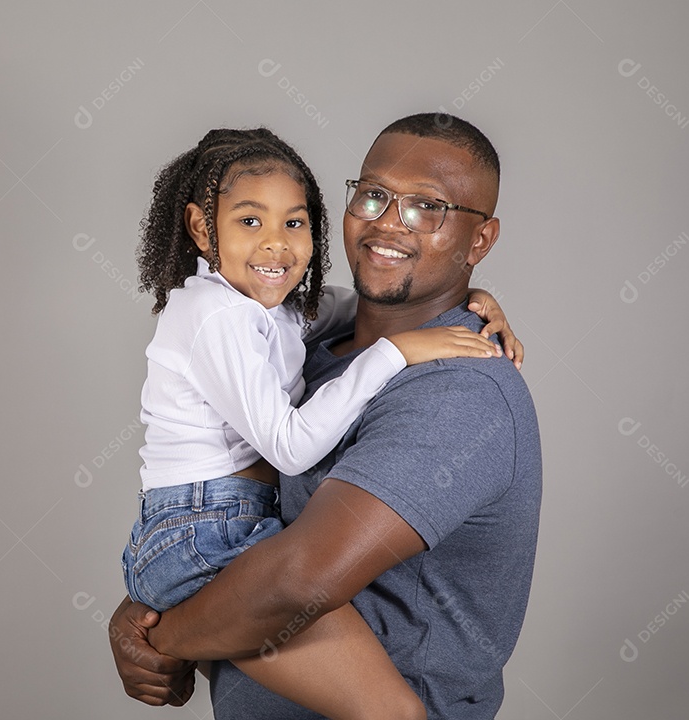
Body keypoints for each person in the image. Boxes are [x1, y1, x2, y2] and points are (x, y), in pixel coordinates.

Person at [109, 114, 542, 720]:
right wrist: (159, 600)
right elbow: (226, 535)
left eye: (428, 207)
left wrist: (159, 633)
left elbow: (296, 584)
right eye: (373, 195)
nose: (389, 221)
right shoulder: (305, 347)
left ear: (480, 241)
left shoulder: (459, 389)